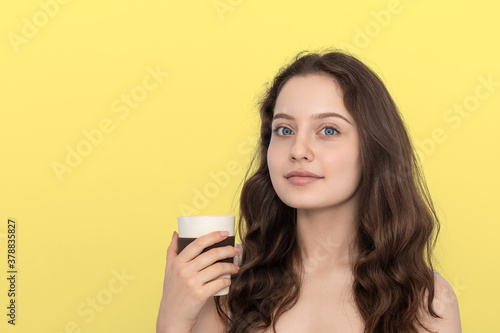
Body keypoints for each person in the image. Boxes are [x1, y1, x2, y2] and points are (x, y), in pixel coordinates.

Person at [156, 49, 462, 333]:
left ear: (372, 148)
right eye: (284, 130)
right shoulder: (227, 284)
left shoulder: (425, 301)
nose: (298, 150)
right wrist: (172, 317)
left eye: (328, 130)